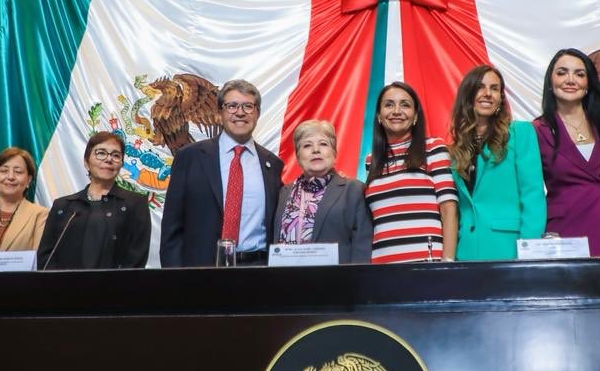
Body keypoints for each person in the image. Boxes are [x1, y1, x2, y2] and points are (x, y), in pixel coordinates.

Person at [160, 79, 284, 267]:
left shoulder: (272, 164)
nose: (240, 112)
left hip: (257, 271)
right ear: (219, 113)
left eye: (248, 106)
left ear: (257, 113)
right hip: (201, 272)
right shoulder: (190, 157)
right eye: (232, 106)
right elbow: (172, 228)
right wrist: (175, 279)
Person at [533, 49, 600, 256]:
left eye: (580, 74)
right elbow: (531, 192)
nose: (570, 80)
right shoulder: (537, 131)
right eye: (562, 73)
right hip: (567, 230)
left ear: (589, 83)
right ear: (550, 81)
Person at [448, 64, 545, 261]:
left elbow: (533, 195)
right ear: (468, 95)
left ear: (501, 98)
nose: (488, 94)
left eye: (494, 89)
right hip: (465, 253)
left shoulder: (520, 133)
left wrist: (528, 253)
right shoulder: (455, 150)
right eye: (480, 87)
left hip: (509, 250)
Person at [363, 82, 458, 263]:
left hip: (427, 266)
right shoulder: (371, 160)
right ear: (379, 116)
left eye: (405, 104)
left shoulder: (433, 148)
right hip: (382, 266)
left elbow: (449, 210)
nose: (396, 111)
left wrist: (448, 263)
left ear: (415, 117)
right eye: (389, 104)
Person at [36, 132, 150, 269]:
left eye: (115, 155)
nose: (109, 159)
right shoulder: (63, 206)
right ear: (86, 162)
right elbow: (45, 257)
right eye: (101, 153)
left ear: (121, 164)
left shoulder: (136, 204)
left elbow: (137, 258)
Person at [274, 120, 372, 264]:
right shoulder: (283, 192)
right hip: (286, 282)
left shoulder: (354, 190)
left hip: (335, 283)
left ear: (334, 152)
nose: (316, 150)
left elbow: (362, 248)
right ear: (298, 157)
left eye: (323, 144)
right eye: (307, 145)